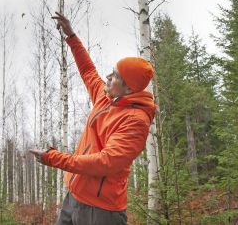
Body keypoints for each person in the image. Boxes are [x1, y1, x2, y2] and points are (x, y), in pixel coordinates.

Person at [29, 12, 156, 225]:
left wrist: (54, 158)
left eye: (115, 76)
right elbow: (88, 71)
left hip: (101, 210)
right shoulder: (106, 97)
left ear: (129, 88)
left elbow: (105, 163)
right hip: (75, 194)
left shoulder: (135, 121)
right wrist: (71, 36)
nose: (107, 77)